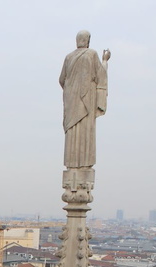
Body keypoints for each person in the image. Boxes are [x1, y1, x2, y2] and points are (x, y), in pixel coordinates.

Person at [59, 31, 110, 169]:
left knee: (73, 134)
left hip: (71, 103)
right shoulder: (91, 54)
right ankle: (84, 165)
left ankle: (72, 165)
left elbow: (61, 79)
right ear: (87, 41)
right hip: (87, 101)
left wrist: (71, 91)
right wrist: (105, 61)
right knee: (86, 133)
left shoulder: (68, 57)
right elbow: (101, 75)